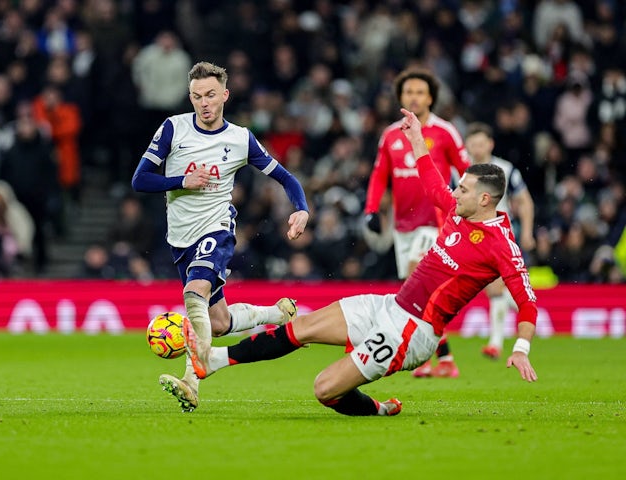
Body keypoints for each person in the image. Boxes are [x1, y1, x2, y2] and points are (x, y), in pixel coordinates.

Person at [184, 108, 538, 416]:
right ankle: (213, 360)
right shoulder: (461, 212)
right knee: (302, 327)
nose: (455, 192)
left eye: (463, 189)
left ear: (486, 199)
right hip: (390, 305)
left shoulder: (502, 245)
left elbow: (527, 303)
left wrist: (521, 349)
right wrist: (416, 137)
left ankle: (380, 408)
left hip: (413, 332)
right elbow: (431, 185)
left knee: (324, 388)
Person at [132, 61, 310, 412]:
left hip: (217, 228)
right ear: (190, 98)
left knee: (193, 292)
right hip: (180, 238)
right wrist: (181, 180)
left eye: (211, 95)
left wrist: (301, 207)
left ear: (225, 95)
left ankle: (191, 379)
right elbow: (140, 180)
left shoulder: (241, 138)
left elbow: (287, 178)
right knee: (219, 322)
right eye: (197, 96)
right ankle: (276, 314)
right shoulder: (173, 128)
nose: (204, 103)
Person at [363, 68, 470, 378]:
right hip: (403, 224)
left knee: (414, 280)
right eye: (408, 91)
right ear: (400, 97)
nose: (414, 96)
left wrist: (469, 205)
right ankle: (444, 359)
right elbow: (379, 175)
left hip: (435, 222)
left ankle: (423, 355)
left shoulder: (445, 132)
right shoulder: (390, 135)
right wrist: (372, 210)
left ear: (431, 97)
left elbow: (466, 170)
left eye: (420, 92)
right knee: (419, 292)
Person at [465, 122, 536, 359]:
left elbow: (524, 201)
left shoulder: (505, 169)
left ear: (490, 144)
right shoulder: (461, 170)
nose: (476, 148)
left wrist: (526, 232)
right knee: (494, 289)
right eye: (472, 144)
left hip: (499, 235)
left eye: (480, 143)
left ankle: (495, 343)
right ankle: (527, 309)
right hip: (469, 237)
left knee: (495, 287)